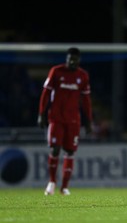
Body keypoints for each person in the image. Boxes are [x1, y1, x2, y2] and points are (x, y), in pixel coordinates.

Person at [37, 47, 93, 196]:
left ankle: (64, 187)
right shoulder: (56, 71)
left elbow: (86, 100)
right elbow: (46, 93)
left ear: (78, 60)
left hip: (73, 120)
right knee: (55, 148)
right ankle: (51, 182)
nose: (72, 62)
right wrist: (41, 114)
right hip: (56, 118)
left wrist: (88, 121)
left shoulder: (83, 76)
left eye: (75, 60)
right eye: (70, 59)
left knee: (70, 151)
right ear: (66, 59)